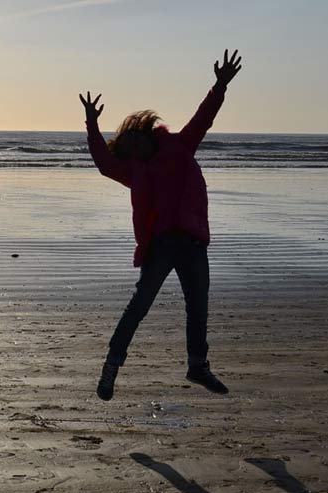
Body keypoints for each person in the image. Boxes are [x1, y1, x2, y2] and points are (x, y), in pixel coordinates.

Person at [80, 50, 243, 401]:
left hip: (194, 242)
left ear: (144, 134)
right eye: (126, 150)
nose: (132, 151)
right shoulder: (135, 171)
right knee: (139, 305)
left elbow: (204, 118)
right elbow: (104, 163)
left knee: (198, 307)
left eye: (131, 143)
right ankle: (112, 365)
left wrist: (219, 86)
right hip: (162, 244)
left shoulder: (180, 145)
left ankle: (197, 366)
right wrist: (92, 124)